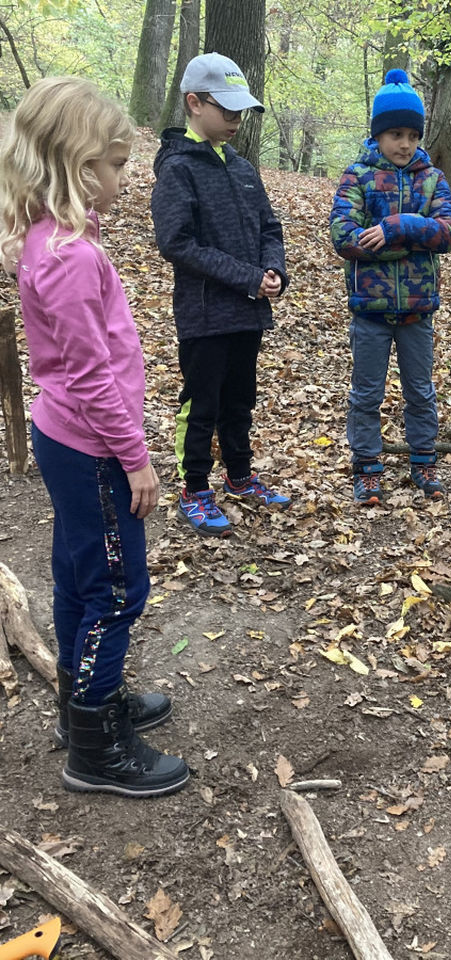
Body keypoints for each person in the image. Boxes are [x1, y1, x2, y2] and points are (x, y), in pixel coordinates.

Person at [0, 77, 189, 797]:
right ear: (77, 168)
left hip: (65, 437)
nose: (124, 178)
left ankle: (86, 702)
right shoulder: (69, 257)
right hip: (93, 447)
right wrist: (135, 459)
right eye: (115, 164)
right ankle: (95, 746)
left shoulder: (52, 240)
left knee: (81, 577)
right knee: (115, 589)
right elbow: (89, 375)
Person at [151, 52, 290, 537]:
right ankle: (194, 488)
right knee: (201, 403)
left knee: (239, 399)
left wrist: (272, 270)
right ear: (194, 103)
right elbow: (177, 244)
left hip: (248, 312)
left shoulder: (242, 168)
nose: (235, 120)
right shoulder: (178, 168)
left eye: (240, 112)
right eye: (227, 110)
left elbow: (270, 227)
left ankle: (239, 475)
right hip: (205, 315)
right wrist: (246, 277)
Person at [329, 69, 451, 505]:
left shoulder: (432, 178)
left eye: (412, 135)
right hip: (370, 308)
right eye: (395, 134)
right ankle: (367, 466)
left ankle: (424, 460)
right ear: (378, 134)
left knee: (420, 391)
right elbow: (344, 236)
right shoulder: (358, 176)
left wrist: (397, 227)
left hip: (417, 310)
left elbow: (449, 233)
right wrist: (409, 245)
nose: (405, 144)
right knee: (367, 392)